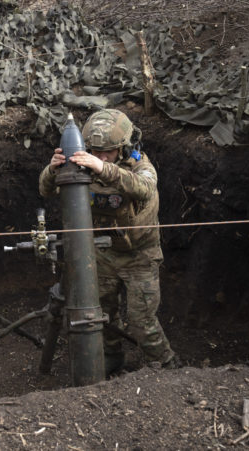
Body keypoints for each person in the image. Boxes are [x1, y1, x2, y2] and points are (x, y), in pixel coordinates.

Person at [38, 108, 178, 374]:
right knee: (103, 316)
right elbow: (45, 189)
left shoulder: (140, 166)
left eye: (109, 152)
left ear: (123, 147)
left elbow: (145, 189)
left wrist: (103, 168)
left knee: (142, 321)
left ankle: (168, 369)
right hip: (102, 255)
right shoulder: (83, 162)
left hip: (140, 256)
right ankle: (111, 362)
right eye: (96, 151)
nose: (101, 156)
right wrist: (52, 169)